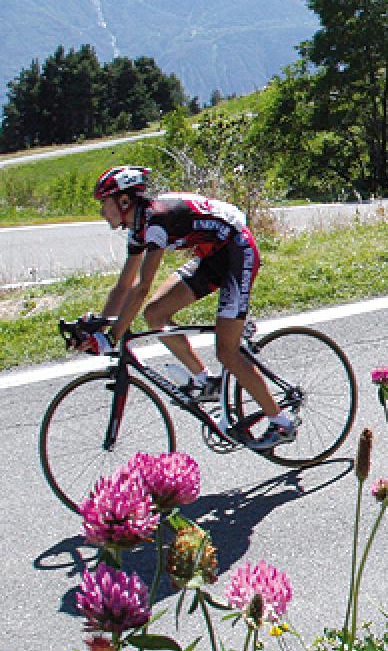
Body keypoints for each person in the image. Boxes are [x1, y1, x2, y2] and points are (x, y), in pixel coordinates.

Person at [83, 166, 298, 449]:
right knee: (154, 313)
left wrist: (112, 338)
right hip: (211, 254)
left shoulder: (156, 221)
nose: (102, 212)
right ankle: (205, 381)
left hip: (237, 250)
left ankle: (282, 423)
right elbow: (123, 286)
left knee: (227, 352)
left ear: (124, 202)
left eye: (104, 203)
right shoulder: (138, 229)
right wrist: (100, 324)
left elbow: (142, 286)